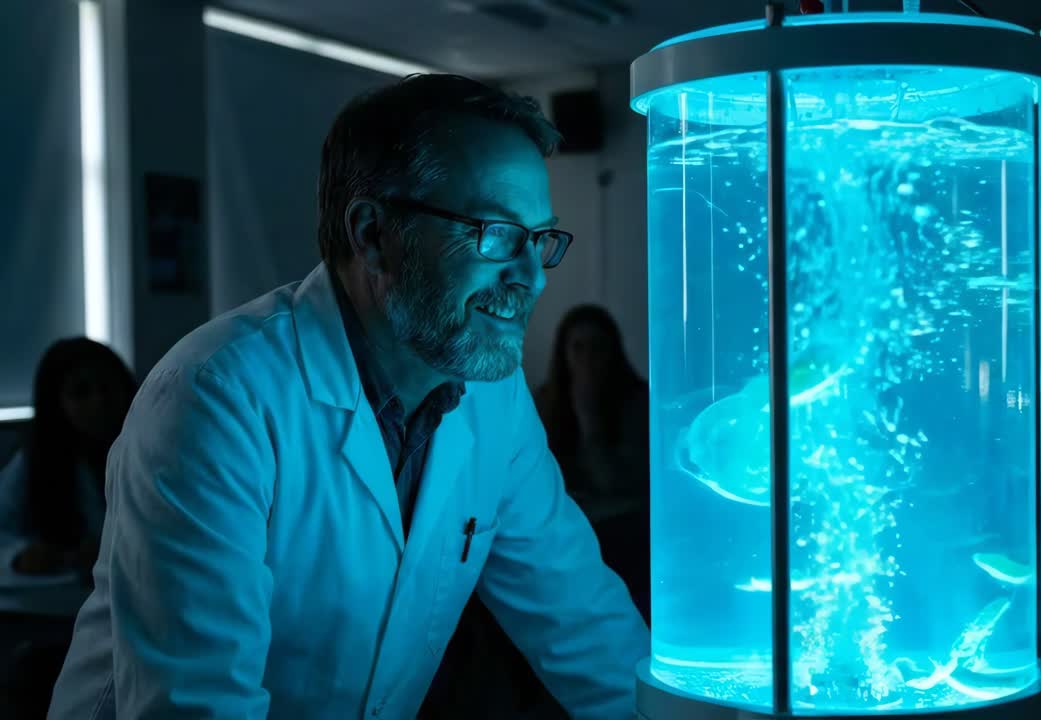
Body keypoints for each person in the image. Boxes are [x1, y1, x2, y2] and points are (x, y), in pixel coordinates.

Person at [48, 74, 648, 720]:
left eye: (539, 240)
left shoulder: (491, 397)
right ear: (371, 234)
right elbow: (198, 708)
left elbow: (586, 629)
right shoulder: (215, 400)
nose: (531, 277)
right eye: (495, 232)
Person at [0, 337, 136, 580]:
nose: (98, 400)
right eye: (80, 392)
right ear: (56, 403)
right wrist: (21, 556)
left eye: (106, 387)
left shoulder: (153, 450)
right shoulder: (36, 459)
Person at [535, 304, 649, 524]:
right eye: (578, 347)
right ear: (564, 353)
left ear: (612, 352)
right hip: (560, 523)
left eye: (597, 347)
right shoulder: (544, 400)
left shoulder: (637, 401)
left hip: (620, 523)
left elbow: (616, 484)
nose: (587, 358)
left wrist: (589, 419)